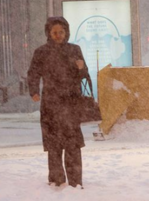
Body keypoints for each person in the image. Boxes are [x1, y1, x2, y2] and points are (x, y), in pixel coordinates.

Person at [28, 16, 88, 188]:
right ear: (49, 33)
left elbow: (84, 75)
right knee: (54, 144)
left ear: (66, 32)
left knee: (72, 144)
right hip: (51, 104)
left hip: (71, 103)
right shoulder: (41, 52)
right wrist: (33, 91)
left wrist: (81, 68)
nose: (58, 35)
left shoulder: (75, 50)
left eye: (61, 32)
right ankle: (56, 180)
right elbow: (33, 73)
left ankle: (75, 180)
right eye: (54, 32)